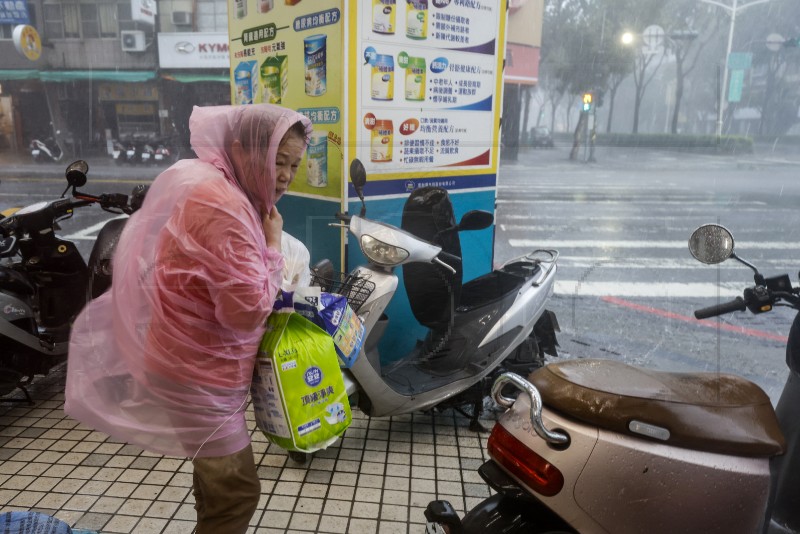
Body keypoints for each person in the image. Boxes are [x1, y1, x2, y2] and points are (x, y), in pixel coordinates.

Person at [65, 104, 312, 533]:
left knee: (215, 480)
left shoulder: (218, 185)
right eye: (277, 161)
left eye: (294, 164)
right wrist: (273, 247)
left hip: (189, 359)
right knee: (236, 492)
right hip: (198, 375)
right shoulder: (226, 208)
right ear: (241, 148)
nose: (286, 176)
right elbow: (245, 311)